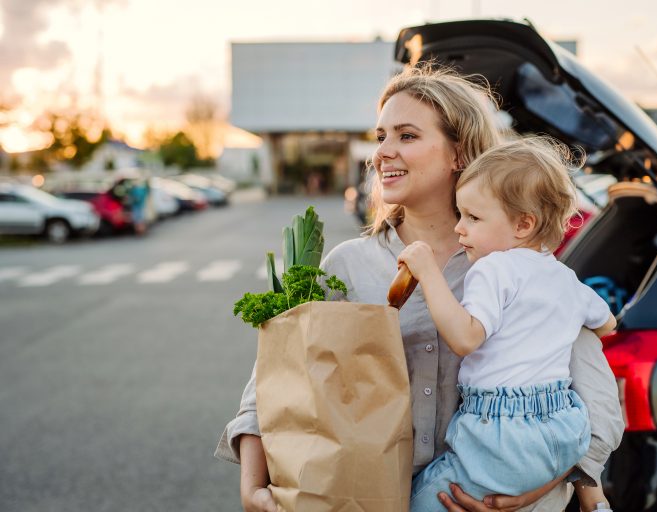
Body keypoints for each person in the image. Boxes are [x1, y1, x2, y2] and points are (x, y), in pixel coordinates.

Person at [215, 64, 624, 512]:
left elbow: (590, 392)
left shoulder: (523, 267)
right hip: (370, 496)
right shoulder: (348, 266)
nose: (382, 153)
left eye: (406, 136)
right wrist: (252, 487)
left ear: (459, 154)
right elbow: (274, 382)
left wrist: (543, 487)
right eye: (380, 136)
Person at [398, 137, 616, 511]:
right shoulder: (565, 279)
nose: (460, 229)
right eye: (461, 214)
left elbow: (466, 338)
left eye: (474, 217)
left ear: (523, 224)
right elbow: (607, 324)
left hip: (501, 434)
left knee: (418, 501)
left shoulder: (493, 267)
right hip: (564, 428)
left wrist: (427, 271)